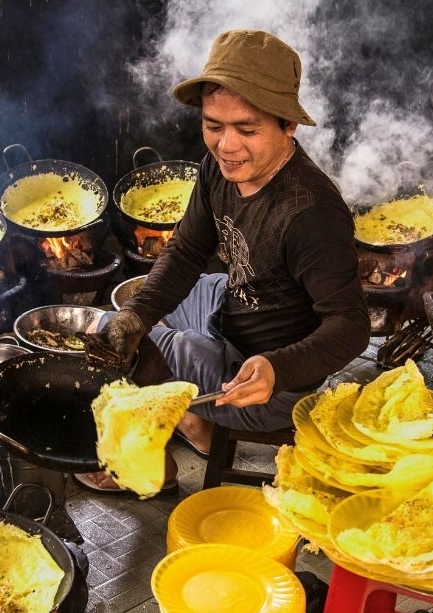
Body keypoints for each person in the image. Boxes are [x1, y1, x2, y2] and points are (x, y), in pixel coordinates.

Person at [76, 29, 370, 492]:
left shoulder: (312, 214)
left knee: (148, 355)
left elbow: (352, 326)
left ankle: (148, 467)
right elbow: (189, 250)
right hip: (230, 308)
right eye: (214, 125)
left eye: (247, 129)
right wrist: (137, 315)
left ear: (287, 125)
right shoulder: (221, 165)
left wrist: (278, 368)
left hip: (266, 378)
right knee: (123, 321)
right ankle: (197, 426)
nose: (226, 145)